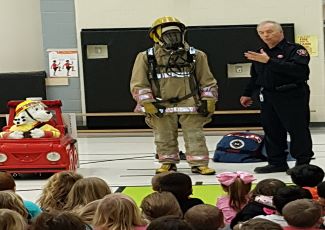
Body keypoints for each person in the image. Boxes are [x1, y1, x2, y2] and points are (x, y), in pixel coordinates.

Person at [130, 16, 218, 175]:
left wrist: (209, 100)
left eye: (176, 34)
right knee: (163, 135)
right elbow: (139, 83)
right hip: (160, 104)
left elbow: (207, 81)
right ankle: (168, 162)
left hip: (191, 103)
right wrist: (148, 102)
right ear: (157, 37)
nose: (173, 38)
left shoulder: (196, 55)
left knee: (195, 134)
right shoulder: (146, 57)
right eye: (168, 35)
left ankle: (199, 163)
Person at [240, 20, 313, 174]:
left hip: (292, 94)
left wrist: (269, 62)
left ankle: (302, 163)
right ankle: (276, 162)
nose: (266, 35)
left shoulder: (295, 50)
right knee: (272, 129)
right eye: (261, 33)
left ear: (280, 32)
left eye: (269, 31)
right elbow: (255, 76)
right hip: (268, 95)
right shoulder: (260, 52)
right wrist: (247, 93)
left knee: (297, 129)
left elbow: (299, 71)